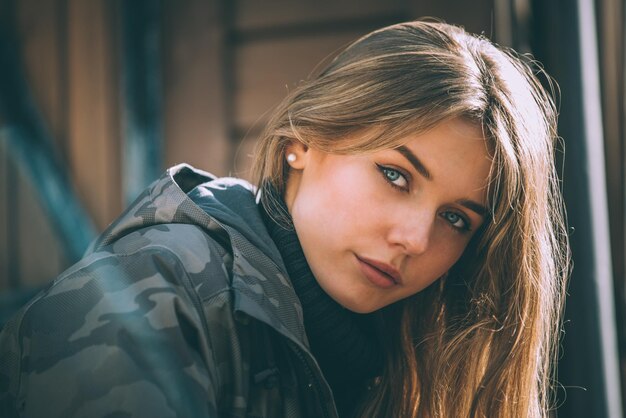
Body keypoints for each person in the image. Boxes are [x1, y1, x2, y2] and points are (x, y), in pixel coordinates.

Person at [0, 20, 569, 418]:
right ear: (304, 141)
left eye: (455, 218)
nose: (415, 239)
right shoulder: (151, 297)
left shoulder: (409, 358)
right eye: (396, 175)